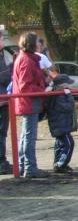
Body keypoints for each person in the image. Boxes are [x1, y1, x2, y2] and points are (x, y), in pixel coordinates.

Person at [12, 33, 48, 178]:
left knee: (25, 135)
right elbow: (25, 87)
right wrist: (43, 90)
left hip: (27, 102)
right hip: (29, 102)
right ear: (32, 44)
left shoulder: (26, 59)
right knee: (29, 136)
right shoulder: (27, 61)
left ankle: (23, 165)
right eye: (38, 42)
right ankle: (29, 167)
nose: (40, 44)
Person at [45, 74, 78, 174]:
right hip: (60, 126)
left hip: (61, 124)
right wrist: (69, 95)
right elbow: (69, 107)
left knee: (60, 144)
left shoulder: (57, 94)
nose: (70, 85)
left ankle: (58, 163)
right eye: (68, 84)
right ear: (62, 85)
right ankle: (61, 164)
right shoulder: (59, 96)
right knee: (69, 144)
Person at [0, 30, 12, 174]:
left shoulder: (3, 55)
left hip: (3, 98)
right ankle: (1, 162)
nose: (3, 42)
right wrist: (12, 70)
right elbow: (4, 76)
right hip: (2, 100)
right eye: (2, 39)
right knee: (1, 132)